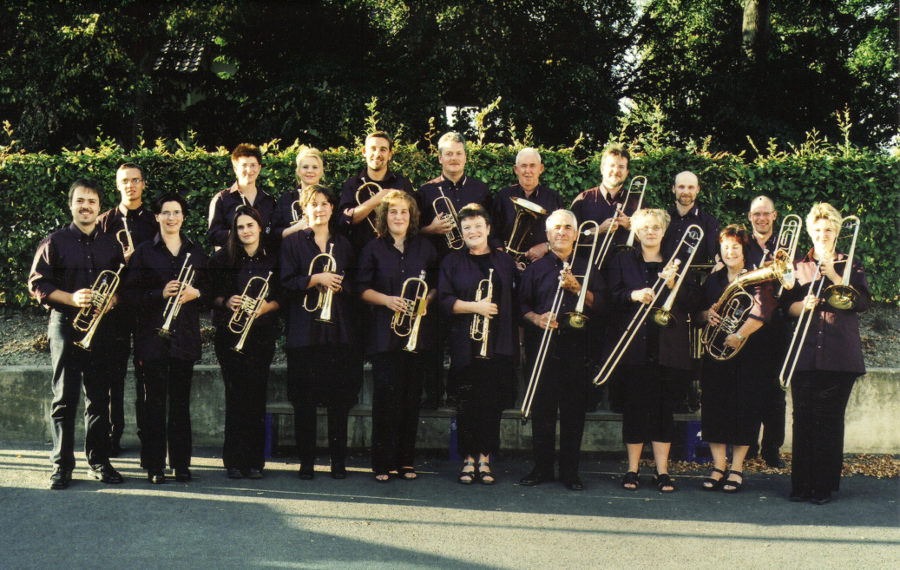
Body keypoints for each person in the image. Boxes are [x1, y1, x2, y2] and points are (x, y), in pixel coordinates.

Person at [28, 178, 126, 489]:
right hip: (65, 324)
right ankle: (62, 466)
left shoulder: (111, 244)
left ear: (99, 208)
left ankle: (98, 461)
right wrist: (71, 298)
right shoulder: (54, 242)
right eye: (80, 201)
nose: (85, 207)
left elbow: (123, 285)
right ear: (71, 205)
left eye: (92, 202)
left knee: (99, 398)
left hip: (101, 328)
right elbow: (37, 284)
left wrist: (113, 299)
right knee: (64, 397)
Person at [781, 203, 869, 505]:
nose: (823, 234)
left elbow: (861, 303)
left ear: (837, 232)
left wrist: (834, 276)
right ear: (810, 231)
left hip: (838, 355)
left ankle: (824, 485)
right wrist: (801, 306)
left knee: (829, 420)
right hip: (804, 353)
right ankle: (801, 484)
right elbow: (785, 307)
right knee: (802, 418)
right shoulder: (797, 264)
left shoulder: (850, 263)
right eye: (818, 229)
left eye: (829, 229)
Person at [608, 208, 695, 493]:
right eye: (644, 227)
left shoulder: (677, 262)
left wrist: (673, 284)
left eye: (656, 227)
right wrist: (632, 295)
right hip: (633, 347)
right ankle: (632, 470)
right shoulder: (622, 259)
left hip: (667, 347)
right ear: (636, 230)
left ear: (664, 230)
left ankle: (662, 472)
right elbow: (611, 295)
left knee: (663, 411)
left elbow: (693, 300)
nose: (650, 232)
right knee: (634, 409)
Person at [518, 209, 607, 491]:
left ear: (576, 234)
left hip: (576, 347)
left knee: (573, 413)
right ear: (547, 235)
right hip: (542, 344)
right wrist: (536, 318)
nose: (562, 232)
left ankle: (570, 472)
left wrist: (578, 287)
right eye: (556, 228)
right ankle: (541, 468)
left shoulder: (588, 266)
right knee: (542, 410)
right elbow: (521, 306)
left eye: (568, 227)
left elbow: (602, 306)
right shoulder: (535, 269)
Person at [123, 192, 208, 484]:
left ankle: (181, 465)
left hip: (184, 338)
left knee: (181, 405)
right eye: (166, 213)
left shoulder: (195, 252)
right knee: (154, 405)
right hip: (152, 338)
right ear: (157, 217)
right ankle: (155, 465)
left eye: (177, 212)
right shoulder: (145, 252)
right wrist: (159, 293)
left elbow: (209, 291)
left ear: (183, 217)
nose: (172, 218)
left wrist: (195, 293)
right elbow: (129, 295)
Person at [358, 190, 438, 482]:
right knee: (386, 400)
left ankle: (405, 461)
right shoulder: (372, 249)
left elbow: (437, 283)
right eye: (393, 212)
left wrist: (425, 301)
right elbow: (362, 289)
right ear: (384, 216)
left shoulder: (425, 248)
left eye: (404, 212)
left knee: (410, 399)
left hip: (416, 335)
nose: (399, 217)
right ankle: (382, 462)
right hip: (384, 336)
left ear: (412, 215)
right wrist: (387, 300)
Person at [280, 185, 358, 480]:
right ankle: (307, 463)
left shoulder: (345, 243)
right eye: (315, 204)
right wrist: (315, 279)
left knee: (339, 402)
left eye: (326, 204)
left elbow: (356, 284)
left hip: (339, 333)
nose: (321, 208)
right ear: (305, 208)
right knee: (305, 402)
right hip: (304, 333)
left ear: (332, 209)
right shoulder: (292, 244)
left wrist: (339, 283)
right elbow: (286, 283)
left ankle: (338, 462)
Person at [440, 204, 519, 485]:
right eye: (467, 228)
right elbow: (444, 301)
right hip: (465, 344)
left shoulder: (505, 261)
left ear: (488, 228)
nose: (473, 231)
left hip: (497, 344)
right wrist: (476, 307)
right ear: (462, 232)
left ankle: (485, 458)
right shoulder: (452, 261)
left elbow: (517, 300)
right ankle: (468, 459)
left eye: (477, 226)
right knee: (466, 405)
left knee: (491, 404)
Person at [699, 224, 777, 493]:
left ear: (744, 250)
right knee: (715, 409)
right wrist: (706, 315)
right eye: (726, 246)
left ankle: (737, 468)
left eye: (735, 246)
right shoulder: (713, 280)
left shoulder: (756, 278)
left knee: (744, 410)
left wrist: (740, 335)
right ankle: (718, 466)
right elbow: (700, 312)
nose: (730, 251)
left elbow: (763, 312)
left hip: (747, 355)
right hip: (715, 354)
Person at [417, 131, 493, 408]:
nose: (453, 158)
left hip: (471, 271)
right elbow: (413, 232)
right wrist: (432, 229)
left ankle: (460, 392)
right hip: (438, 270)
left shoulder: (480, 190)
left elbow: (489, 231)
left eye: (458, 153)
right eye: (448, 153)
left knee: (465, 337)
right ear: (439, 157)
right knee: (433, 336)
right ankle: (434, 395)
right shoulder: (426, 191)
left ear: (465, 157)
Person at [209, 206, 280, 479]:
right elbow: (209, 296)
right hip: (230, 336)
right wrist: (226, 301)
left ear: (260, 227)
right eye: (240, 227)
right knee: (235, 397)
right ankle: (234, 461)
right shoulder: (221, 259)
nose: (246, 231)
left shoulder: (273, 259)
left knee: (256, 396)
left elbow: (283, 297)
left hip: (261, 335)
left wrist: (266, 306)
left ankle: (255, 462)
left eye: (250, 225)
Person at [97, 162, 158, 456]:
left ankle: (149, 436)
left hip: (147, 305)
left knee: (146, 372)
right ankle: (113, 435)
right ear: (117, 185)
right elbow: (95, 264)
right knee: (114, 373)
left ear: (143, 184)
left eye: (135, 180)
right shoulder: (105, 221)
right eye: (125, 181)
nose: (130, 186)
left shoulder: (155, 222)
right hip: (117, 307)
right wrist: (119, 259)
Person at [746, 195, 788, 467]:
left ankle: (772, 448)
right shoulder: (741, 244)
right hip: (746, 323)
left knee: (775, 390)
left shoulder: (786, 248)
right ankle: (746, 445)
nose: (761, 218)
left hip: (777, 326)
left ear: (774, 216)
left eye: (766, 213)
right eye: (755, 214)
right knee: (745, 387)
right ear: (750, 217)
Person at [338, 131, 415, 252]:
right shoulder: (352, 184)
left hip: (395, 253)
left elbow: (413, 221)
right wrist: (375, 200)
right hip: (361, 255)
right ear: (364, 152)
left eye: (383, 150)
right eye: (373, 149)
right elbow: (345, 221)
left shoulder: (402, 184)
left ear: (390, 154)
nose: (377, 154)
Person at [492, 147, 562, 268]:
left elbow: (562, 232)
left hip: (544, 265)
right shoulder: (503, 197)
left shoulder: (554, 198)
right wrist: (505, 259)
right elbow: (493, 233)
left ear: (540, 169)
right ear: (516, 169)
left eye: (532, 166)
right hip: (509, 266)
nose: (527, 170)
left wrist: (546, 246)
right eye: (523, 166)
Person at [570, 143, 640, 261]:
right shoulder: (583, 200)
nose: (616, 170)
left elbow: (651, 239)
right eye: (611, 165)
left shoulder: (637, 202)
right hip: (590, 268)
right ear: (602, 169)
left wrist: (630, 226)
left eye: (621, 167)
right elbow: (570, 237)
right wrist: (599, 229)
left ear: (627, 172)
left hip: (627, 270)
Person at [208, 143, 276, 250]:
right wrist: (240, 234)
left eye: (253, 165)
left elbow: (273, 235)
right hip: (232, 263)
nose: (249, 170)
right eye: (244, 165)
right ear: (235, 169)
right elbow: (214, 236)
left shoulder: (269, 200)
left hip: (263, 263)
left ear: (259, 168)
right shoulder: (221, 199)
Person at [660, 171, 720, 266]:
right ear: (673, 189)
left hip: (694, 278)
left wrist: (719, 264)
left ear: (698, 189)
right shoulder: (662, 218)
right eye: (681, 187)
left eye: (691, 187)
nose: (686, 192)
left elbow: (715, 254)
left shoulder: (709, 223)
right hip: (661, 276)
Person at [271, 146, 326, 241]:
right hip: (293, 251)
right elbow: (275, 234)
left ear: (321, 171)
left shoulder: (329, 198)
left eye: (315, 167)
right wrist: (296, 228)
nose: (310, 170)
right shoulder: (286, 199)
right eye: (305, 167)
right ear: (298, 171)